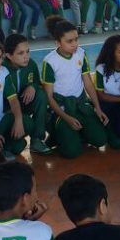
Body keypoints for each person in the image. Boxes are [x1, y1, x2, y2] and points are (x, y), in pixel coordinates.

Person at [41, 16, 109, 158]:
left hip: (80, 105)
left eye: (76, 39)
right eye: (69, 41)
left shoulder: (81, 54)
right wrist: (66, 118)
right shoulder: (50, 62)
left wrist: (97, 107)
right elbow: (48, 97)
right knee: (72, 152)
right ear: (57, 42)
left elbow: (88, 83)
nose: (74, 44)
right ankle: (57, 134)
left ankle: (76, 134)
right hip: (62, 109)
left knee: (101, 140)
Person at [3, 33, 52, 154]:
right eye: (21, 53)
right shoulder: (2, 69)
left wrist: (33, 86)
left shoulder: (31, 65)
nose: (26, 56)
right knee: (17, 145)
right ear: (9, 55)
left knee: (41, 95)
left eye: (27, 51)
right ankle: (5, 144)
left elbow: (36, 81)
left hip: (24, 104)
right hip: (7, 110)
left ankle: (36, 140)